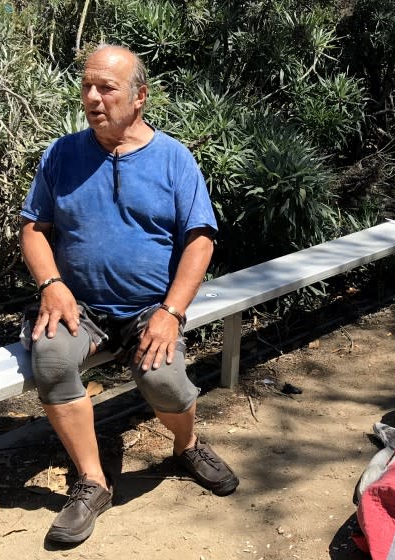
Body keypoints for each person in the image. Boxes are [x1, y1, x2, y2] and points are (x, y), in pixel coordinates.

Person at [19, 44, 239, 544]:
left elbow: (199, 239)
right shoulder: (62, 154)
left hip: (149, 307)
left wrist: (171, 312)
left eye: (107, 88)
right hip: (82, 307)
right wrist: (52, 286)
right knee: (51, 359)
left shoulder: (173, 158)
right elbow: (33, 228)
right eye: (87, 87)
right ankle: (93, 482)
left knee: (162, 379)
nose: (93, 98)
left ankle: (186, 446)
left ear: (140, 96)